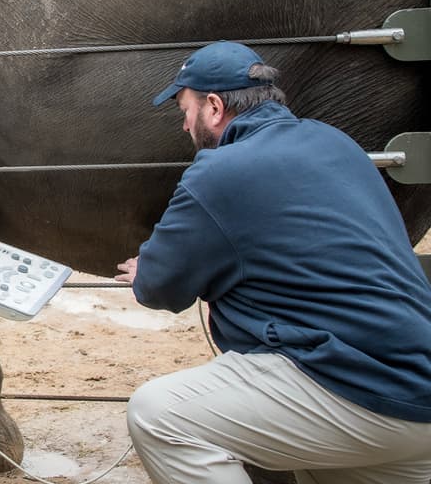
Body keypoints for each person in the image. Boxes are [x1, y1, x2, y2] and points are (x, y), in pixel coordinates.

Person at [115, 40, 431, 483]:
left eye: (183, 110)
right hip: (419, 395)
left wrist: (147, 270)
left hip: (353, 390)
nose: (184, 125)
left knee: (158, 415)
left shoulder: (217, 172)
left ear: (213, 106)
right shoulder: (336, 142)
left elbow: (160, 289)